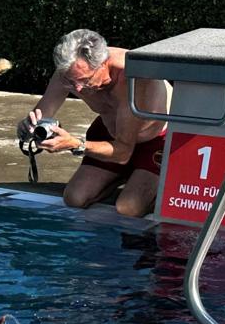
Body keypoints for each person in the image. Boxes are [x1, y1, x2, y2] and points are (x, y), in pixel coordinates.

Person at [17, 29, 171, 217]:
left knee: (129, 207)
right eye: (71, 82)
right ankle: (122, 176)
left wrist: (76, 144)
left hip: (156, 139)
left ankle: (152, 177)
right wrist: (28, 127)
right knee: (75, 198)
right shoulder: (69, 73)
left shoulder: (135, 77)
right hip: (111, 133)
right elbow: (41, 113)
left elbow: (122, 152)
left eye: (85, 80)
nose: (78, 88)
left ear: (103, 63)